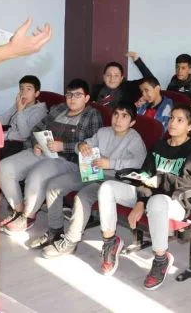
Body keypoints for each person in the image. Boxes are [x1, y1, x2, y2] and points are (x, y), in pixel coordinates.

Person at [96, 105, 191, 290]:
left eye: (179, 120)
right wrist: (140, 202)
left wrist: (160, 180)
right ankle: (110, 242)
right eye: (171, 118)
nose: (172, 123)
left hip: (177, 201)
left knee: (157, 201)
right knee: (107, 188)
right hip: (150, 196)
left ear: (190, 126)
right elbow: (144, 177)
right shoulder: (160, 146)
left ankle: (161, 259)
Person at [31, 102, 147, 257]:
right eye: (116, 114)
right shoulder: (103, 132)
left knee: (82, 197)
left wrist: (111, 163)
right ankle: (55, 231)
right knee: (54, 185)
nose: (118, 120)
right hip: (91, 172)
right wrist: (82, 146)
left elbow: (140, 163)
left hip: (111, 181)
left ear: (132, 122)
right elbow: (85, 144)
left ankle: (70, 242)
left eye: (124, 116)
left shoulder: (134, 139)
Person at [0, 79, 103, 234]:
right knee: (4, 167)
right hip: (43, 152)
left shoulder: (92, 115)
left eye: (78, 95)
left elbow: (92, 146)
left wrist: (63, 146)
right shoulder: (59, 109)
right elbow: (36, 129)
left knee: (36, 175)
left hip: (67, 160)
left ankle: (28, 216)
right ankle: (19, 210)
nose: (72, 98)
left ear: (87, 98)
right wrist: (36, 143)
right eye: (69, 94)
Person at [0, 75, 48, 161]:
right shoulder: (20, 104)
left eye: (28, 89)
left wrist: (20, 111)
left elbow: (25, 135)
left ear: (36, 93)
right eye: (21, 89)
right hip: (8, 136)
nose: (24, 93)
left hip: (21, 144)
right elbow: (5, 117)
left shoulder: (40, 112)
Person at [90, 52, 155, 106]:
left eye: (116, 76)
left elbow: (151, 80)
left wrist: (138, 61)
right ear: (104, 77)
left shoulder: (129, 87)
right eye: (109, 75)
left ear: (121, 78)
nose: (112, 78)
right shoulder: (96, 90)